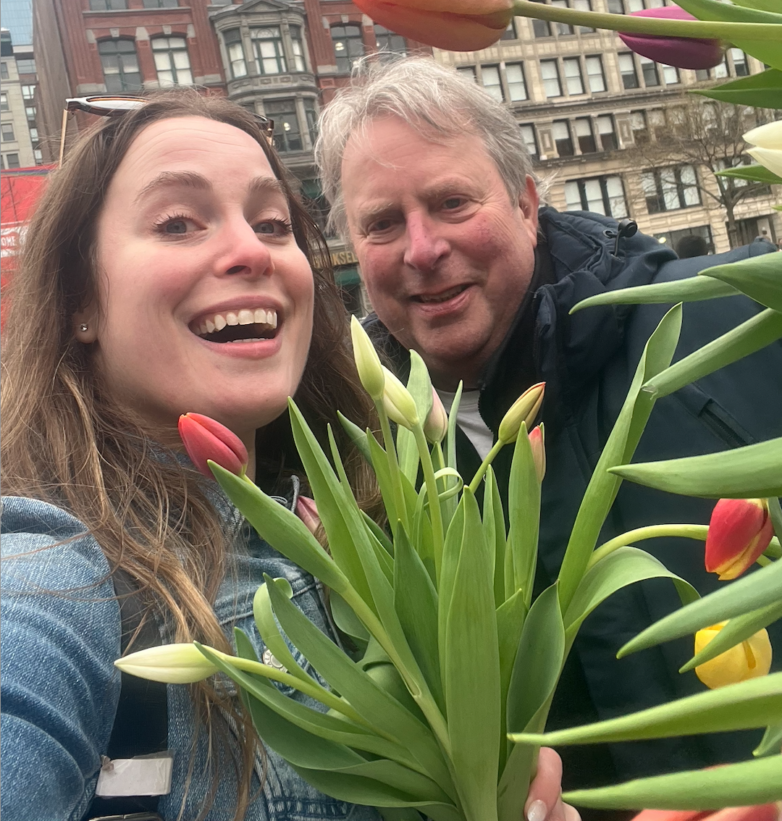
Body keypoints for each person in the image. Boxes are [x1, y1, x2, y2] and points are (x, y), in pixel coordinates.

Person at [1, 91, 566, 821]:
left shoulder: (366, 540)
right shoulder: (51, 584)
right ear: (80, 297)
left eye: (273, 223)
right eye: (178, 222)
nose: (251, 251)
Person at [315, 57, 782, 798]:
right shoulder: (356, 468)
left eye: (452, 202)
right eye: (381, 223)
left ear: (527, 205)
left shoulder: (734, 318)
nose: (423, 249)